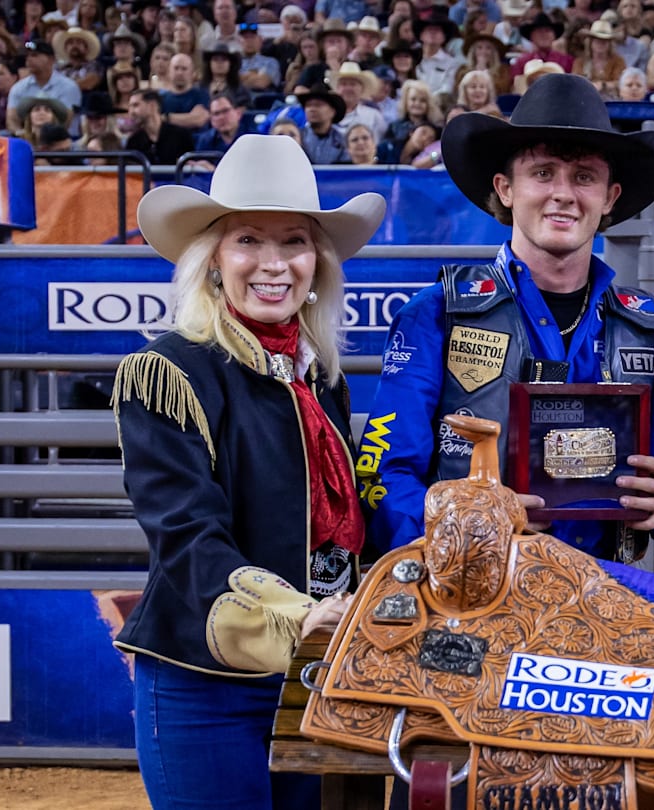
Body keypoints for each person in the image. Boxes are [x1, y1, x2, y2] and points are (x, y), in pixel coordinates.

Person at [113, 134, 385, 810]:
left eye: (294, 242)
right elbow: (187, 536)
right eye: (248, 241)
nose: (274, 263)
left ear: (317, 263)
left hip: (318, 672)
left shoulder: (320, 379)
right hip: (205, 683)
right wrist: (301, 618)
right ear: (213, 259)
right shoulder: (167, 372)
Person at [361, 73, 654, 564]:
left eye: (584, 176)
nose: (563, 193)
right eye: (543, 173)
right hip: (469, 591)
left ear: (609, 197)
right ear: (505, 188)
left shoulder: (645, 328)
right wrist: (474, 526)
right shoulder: (435, 315)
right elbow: (381, 481)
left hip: (606, 594)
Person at [126, 88, 196, 164]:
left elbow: (192, 165)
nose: (131, 112)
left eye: (135, 105)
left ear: (152, 106)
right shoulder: (133, 141)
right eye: (130, 107)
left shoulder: (181, 136)